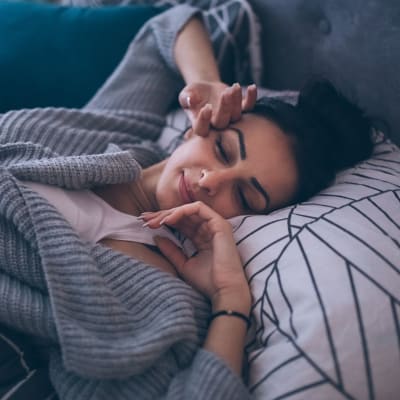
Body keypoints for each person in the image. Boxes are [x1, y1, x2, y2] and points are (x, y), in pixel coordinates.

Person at [0, 2, 373, 400]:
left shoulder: (169, 298)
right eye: (225, 150)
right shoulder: (124, 129)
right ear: (204, 125)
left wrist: (230, 301)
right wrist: (208, 83)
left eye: (244, 196)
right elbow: (171, 23)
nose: (212, 181)